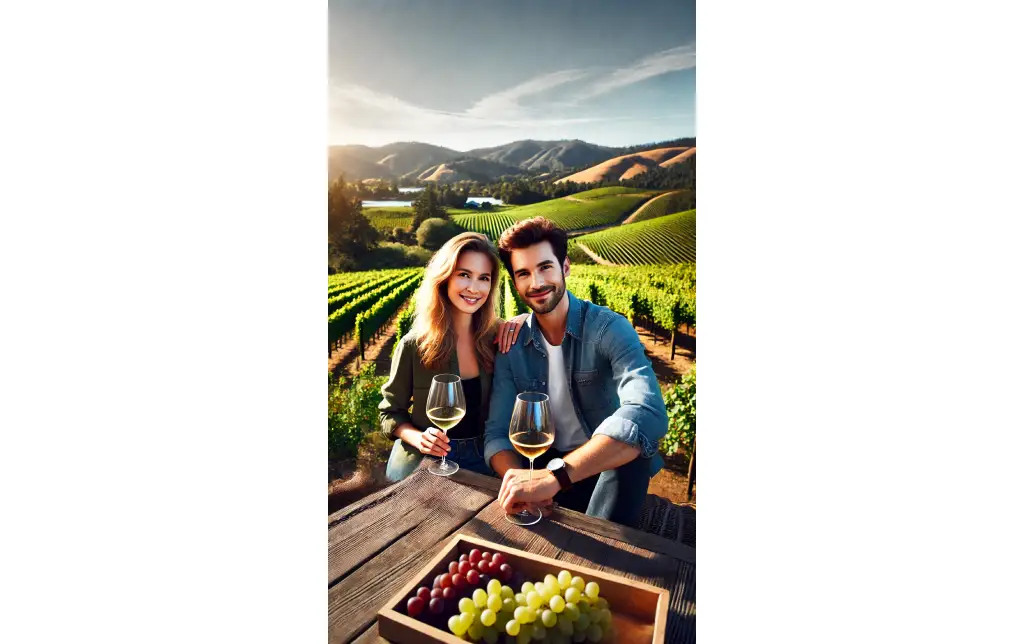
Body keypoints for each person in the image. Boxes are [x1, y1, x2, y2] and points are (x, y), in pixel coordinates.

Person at [483, 217, 669, 527]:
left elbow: (647, 412)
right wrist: (527, 483)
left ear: (565, 266)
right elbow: (497, 434)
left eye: (545, 267)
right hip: (543, 467)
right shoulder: (512, 344)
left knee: (631, 457)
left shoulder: (609, 328)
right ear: (514, 283)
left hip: (600, 471)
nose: (537, 283)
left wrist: (557, 477)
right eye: (523, 274)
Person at [379, 232, 527, 481]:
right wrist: (419, 438)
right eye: (464, 275)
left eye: (484, 278)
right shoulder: (414, 346)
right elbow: (390, 413)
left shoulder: (498, 338)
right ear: (444, 277)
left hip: (485, 459)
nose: (473, 287)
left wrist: (524, 319)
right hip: (424, 461)